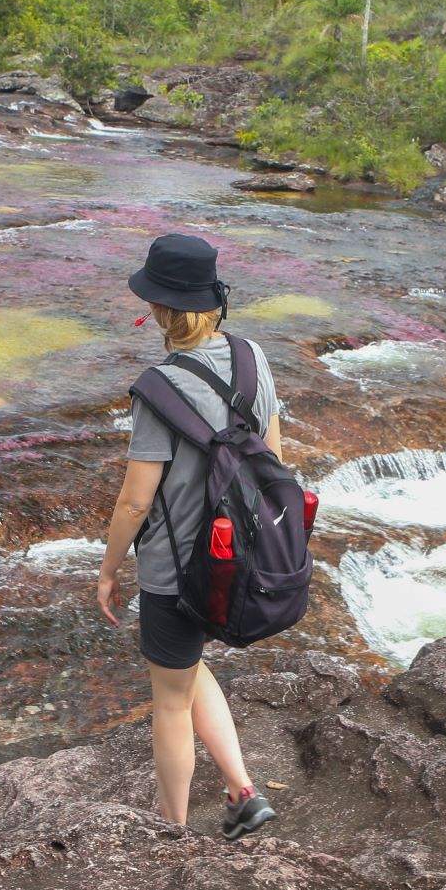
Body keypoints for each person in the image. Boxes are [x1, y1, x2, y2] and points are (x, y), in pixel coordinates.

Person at [95, 233, 280, 840]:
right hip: (238, 560)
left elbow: (135, 498)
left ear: (163, 310)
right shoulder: (254, 358)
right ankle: (243, 792)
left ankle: (168, 834)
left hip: (176, 571)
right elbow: (273, 463)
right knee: (187, 669)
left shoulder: (158, 386)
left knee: (169, 701)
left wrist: (108, 568)